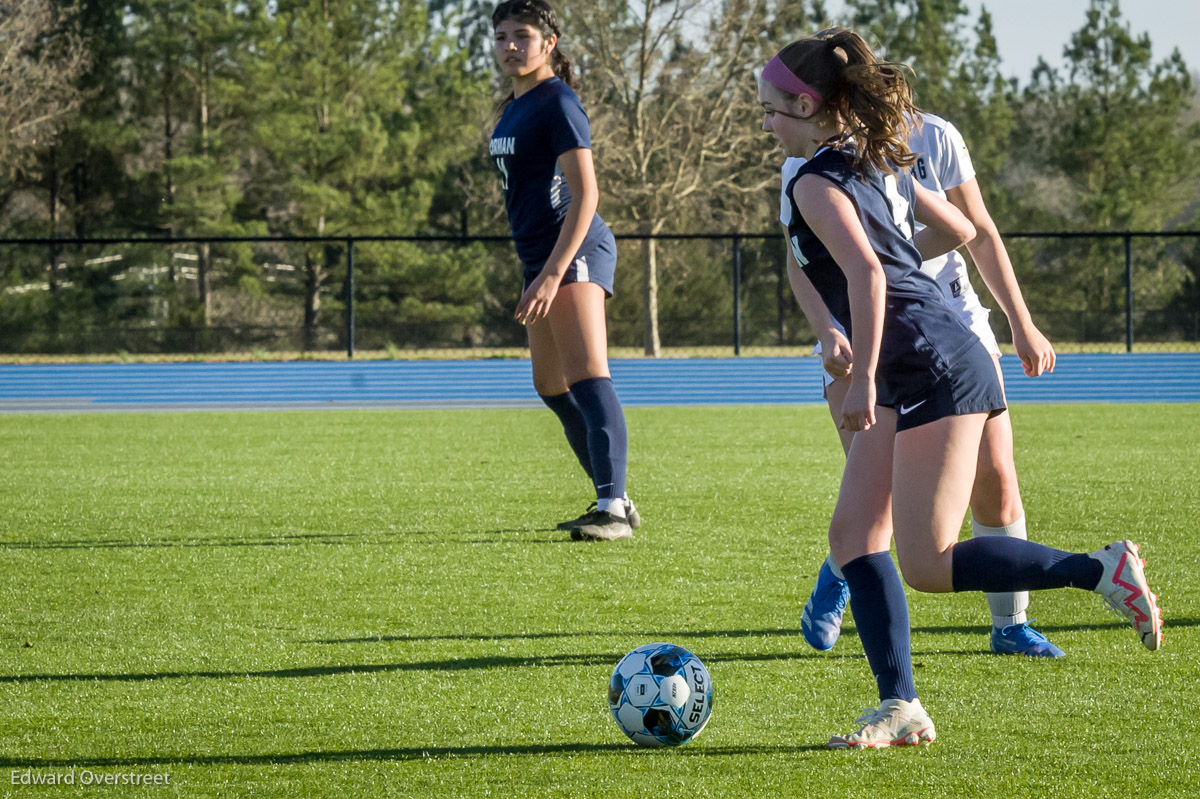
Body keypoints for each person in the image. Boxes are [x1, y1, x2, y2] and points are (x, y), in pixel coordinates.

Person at [757, 29, 1162, 749]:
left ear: (813, 107)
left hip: (930, 364)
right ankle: (901, 706)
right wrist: (890, 265)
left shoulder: (812, 181)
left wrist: (865, 376)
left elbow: (871, 276)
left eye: (772, 111)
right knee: (854, 535)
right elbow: (956, 228)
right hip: (933, 348)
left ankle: (1100, 569)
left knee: (928, 563)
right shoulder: (870, 160)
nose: (765, 124)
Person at [783, 103, 1065, 658]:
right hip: (866, 330)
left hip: (951, 322)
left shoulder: (933, 135)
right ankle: (844, 579)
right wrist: (828, 328)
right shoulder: (806, 157)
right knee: (878, 497)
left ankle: (1010, 622)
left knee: (996, 478)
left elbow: (973, 231)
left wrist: (1020, 321)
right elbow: (797, 256)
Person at [490, 0, 639, 541]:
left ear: (548, 43)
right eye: (502, 35)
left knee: (587, 375)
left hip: (571, 250)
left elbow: (586, 194)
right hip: (539, 257)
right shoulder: (514, 106)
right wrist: (539, 268)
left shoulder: (558, 102)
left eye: (521, 35)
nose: (510, 45)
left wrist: (554, 272)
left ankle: (613, 509)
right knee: (551, 385)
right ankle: (613, 493)